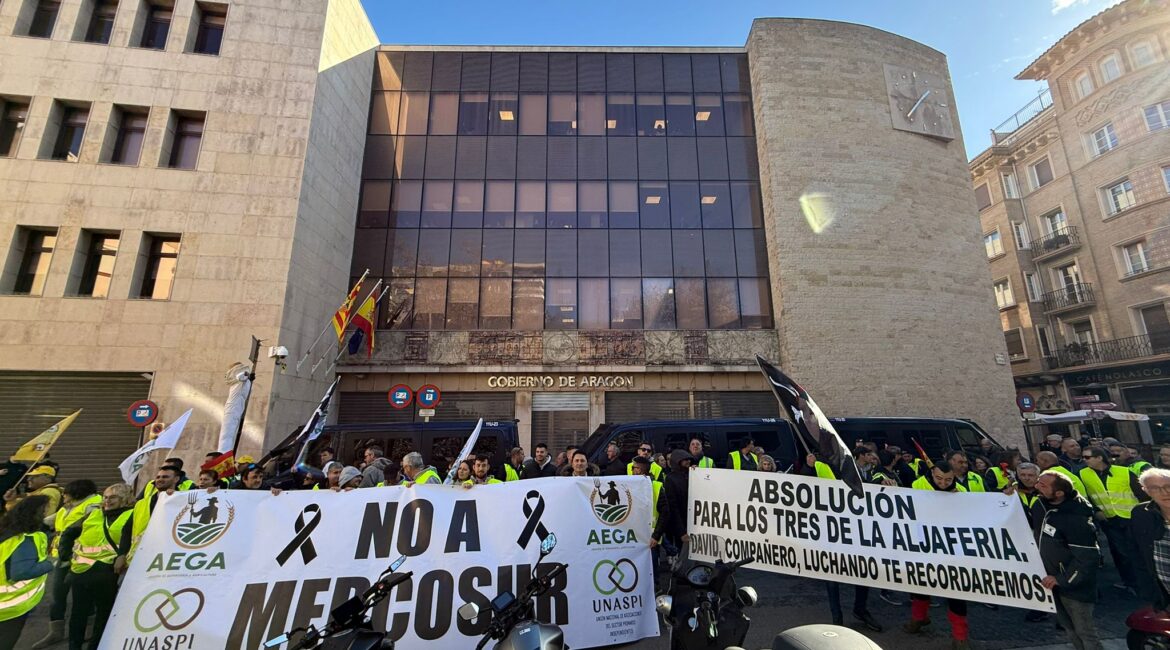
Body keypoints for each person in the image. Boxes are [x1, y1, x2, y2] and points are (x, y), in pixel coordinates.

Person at [59, 483, 134, 650]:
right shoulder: (94, 513)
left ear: (124, 499)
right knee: (78, 614)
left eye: (113, 497)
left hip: (107, 572)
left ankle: (95, 646)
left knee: (104, 614)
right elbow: (69, 533)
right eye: (106, 497)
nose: (107, 501)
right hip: (81, 571)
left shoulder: (132, 514)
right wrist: (66, 555)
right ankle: (74, 646)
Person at [905, 461, 970, 649]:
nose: (943, 483)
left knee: (956, 591)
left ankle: (960, 636)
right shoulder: (918, 485)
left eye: (948, 479)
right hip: (923, 544)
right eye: (939, 478)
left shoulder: (963, 493)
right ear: (932, 473)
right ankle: (919, 618)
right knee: (920, 583)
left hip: (953, 550)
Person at [810, 460, 881, 631]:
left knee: (862, 572)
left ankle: (860, 609)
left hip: (855, 531)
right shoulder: (819, 465)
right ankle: (837, 618)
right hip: (830, 530)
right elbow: (803, 482)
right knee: (832, 577)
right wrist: (808, 466)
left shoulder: (857, 468)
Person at [1034, 471, 1103, 649]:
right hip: (1053, 583)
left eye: (1043, 485)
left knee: (1085, 633)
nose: (1037, 487)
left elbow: (1087, 559)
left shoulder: (1075, 519)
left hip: (1074, 587)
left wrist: (1062, 580)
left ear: (1059, 493)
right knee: (1070, 629)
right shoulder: (1047, 505)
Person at [32, 480, 100, 649]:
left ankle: (86, 630)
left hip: (82, 557)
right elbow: (47, 521)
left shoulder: (94, 505)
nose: (63, 496)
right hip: (61, 557)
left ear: (76, 492)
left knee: (82, 598)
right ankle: (56, 632)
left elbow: (81, 527)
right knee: (58, 596)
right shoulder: (67, 507)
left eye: (65, 493)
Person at [1080, 445, 1144, 593]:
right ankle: (1130, 582)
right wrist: (1096, 511)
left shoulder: (1124, 472)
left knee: (1137, 549)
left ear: (1099, 458)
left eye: (1087, 457)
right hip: (1109, 519)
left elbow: (1141, 494)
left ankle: (1144, 580)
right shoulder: (1083, 474)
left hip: (1131, 517)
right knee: (1120, 552)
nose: (1084, 460)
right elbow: (1085, 496)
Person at [0, 495, 53, 649]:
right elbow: (21, 572)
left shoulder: (6, 532)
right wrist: (49, 564)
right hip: (9, 610)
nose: (45, 515)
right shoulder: (26, 540)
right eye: (43, 511)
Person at [125, 465, 181, 564]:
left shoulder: (184, 501)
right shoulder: (141, 503)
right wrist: (121, 554)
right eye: (158, 477)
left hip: (167, 559)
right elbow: (127, 530)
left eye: (165, 477)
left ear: (176, 479)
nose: (160, 480)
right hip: (138, 558)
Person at [1133, 469, 1170, 611]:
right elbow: (1137, 554)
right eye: (1155, 488)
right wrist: (1153, 595)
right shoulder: (1141, 514)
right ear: (1146, 491)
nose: (1165, 492)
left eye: (1168, 486)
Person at [651, 450, 693, 553]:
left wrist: (699, 473)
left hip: (695, 523)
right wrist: (681, 532)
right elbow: (672, 508)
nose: (688, 461)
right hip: (682, 526)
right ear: (677, 461)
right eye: (685, 460)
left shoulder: (693, 474)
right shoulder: (670, 479)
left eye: (689, 459)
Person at [1016, 463, 1043, 528]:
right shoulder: (1012, 490)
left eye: (1030, 475)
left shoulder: (1046, 491)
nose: (1026, 478)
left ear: (1038, 476)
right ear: (1018, 476)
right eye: (1023, 475)